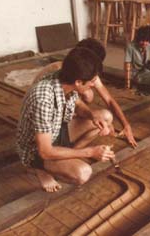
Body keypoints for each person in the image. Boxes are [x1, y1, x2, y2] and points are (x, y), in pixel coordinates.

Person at [16, 47, 116, 192]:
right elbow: (45, 151)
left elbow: (78, 105)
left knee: (104, 117)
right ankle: (38, 168)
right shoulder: (42, 98)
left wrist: (91, 115)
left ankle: (66, 155)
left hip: (56, 130)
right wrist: (90, 152)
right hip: (37, 150)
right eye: (91, 81)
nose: (93, 85)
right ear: (78, 82)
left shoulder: (65, 79)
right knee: (82, 173)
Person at [35, 38, 137, 148]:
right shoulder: (62, 72)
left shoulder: (85, 71)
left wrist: (126, 125)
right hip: (47, 123)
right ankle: (65, 148)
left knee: (99, 110)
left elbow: (109, 100)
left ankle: (73, 150)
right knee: (91, 103)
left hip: (63, 114)